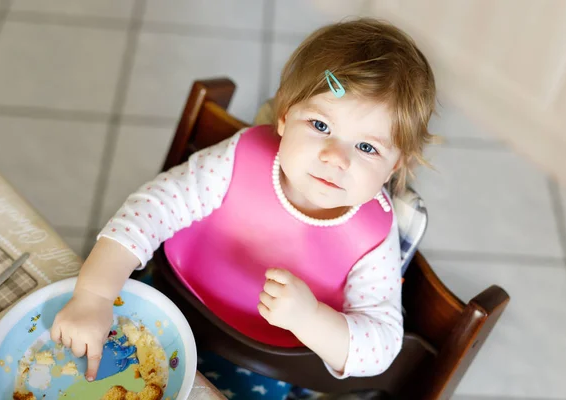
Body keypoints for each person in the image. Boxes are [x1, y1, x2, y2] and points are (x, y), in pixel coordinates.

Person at [50, 16, 436, 391]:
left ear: (394, 166)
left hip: (259, 364)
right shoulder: (240, 158)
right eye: (320, 126)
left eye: (367, 147)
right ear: (284, 118)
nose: (336, 157)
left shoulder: (373, 235)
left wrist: (311, 319)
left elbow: (382, 346)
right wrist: (94, 295)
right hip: (172, 298)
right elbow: (152, 208)